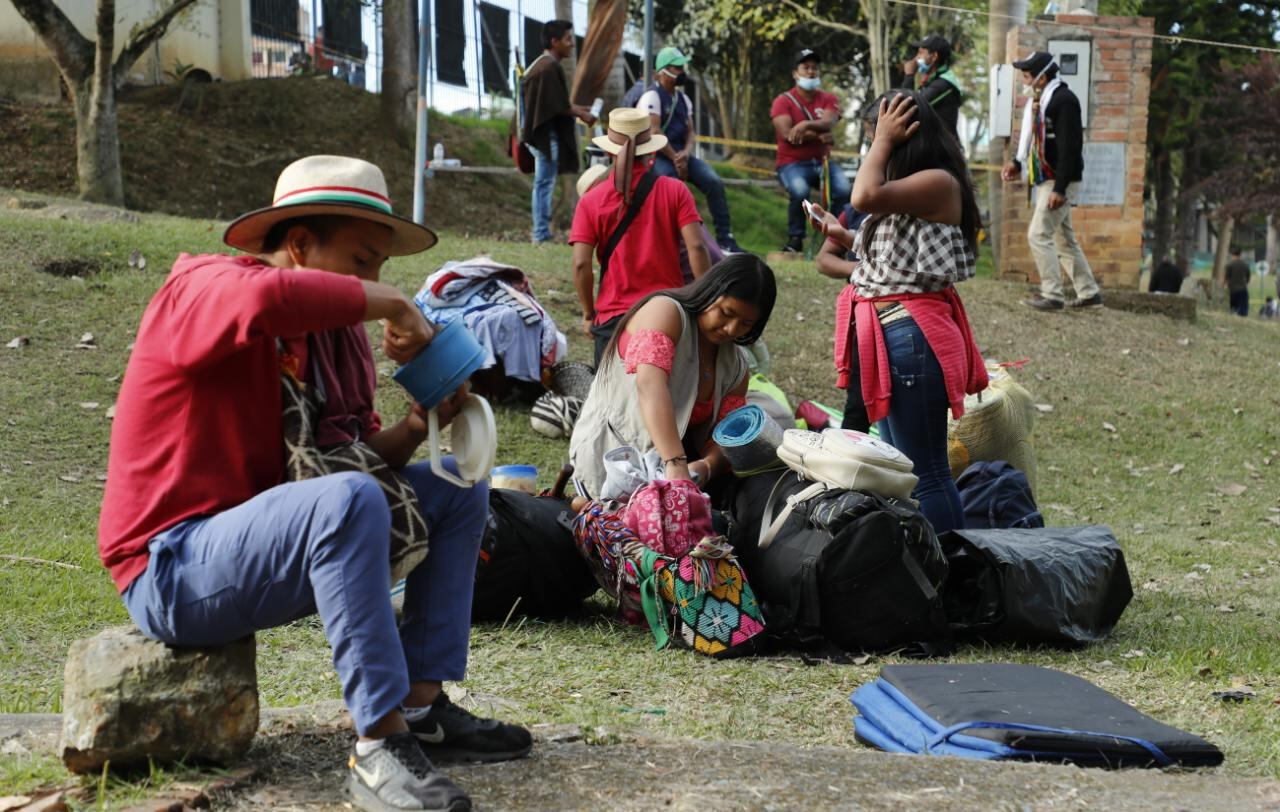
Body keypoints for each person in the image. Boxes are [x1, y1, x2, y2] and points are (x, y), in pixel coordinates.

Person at [100, 155, 531, 812]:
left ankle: (420, 709)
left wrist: (418, 426)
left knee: (456, 484)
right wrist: (391, 303)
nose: (376, 284)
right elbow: (264, 299)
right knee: (346, 501)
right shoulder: (203, 286)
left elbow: (353, 463)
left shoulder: (337, 343)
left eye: (382, 270)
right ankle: (378, 747)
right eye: (362, 263)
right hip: (171, 566)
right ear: (298, 244)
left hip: (267, 544)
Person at [815, 92, 987, 534]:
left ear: (903, 137)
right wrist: (843, 235)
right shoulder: (914, 190)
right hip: (893, 333)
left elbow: (864, 194)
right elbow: (902, 258)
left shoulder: (938, 181)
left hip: (911, 336)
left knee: (925, 472)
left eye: (875, 139)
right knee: (902, 469)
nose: (873, 149)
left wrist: (883, 140)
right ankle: (930, 570)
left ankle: (953, 572)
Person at [569, 254, 776, 499]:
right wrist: (676, 464)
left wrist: (707, 466)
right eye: (725, 312)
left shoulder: (736, 367)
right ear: (710, 291)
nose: (731, 328)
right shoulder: (665, 312)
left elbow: (726, 436)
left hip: (674, 477)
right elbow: (650, 386)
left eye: (745, 323)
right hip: (614, 463)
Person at [570, 108, 711, 366]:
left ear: (610, 151)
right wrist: (703, 301)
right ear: (651, 151)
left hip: (613, 318)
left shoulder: (590, 201)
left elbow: (581, 264)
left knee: (609, 401)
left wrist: (589, 313)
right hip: (668, 311)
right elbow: (697, 247)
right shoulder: (675, 190)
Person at [1002, 51, 1102, 311]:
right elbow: (1034, 140)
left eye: (1027, 76)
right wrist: (1017, 161)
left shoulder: (1064, 101)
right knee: (1063, 239)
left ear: (1042, 77)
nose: (1024, 81)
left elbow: (1071, 148)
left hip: (1060, 180)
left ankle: (1052, 295)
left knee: (1038, 234)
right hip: (1048, 177)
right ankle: (1089, 293)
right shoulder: (1040, 101)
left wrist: (1060, 188)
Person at [621, 46, 742, 253]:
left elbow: (691, 131)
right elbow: (655, 131)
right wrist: (676, 158)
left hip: (680, 154)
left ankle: (725, 238)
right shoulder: (651, 97)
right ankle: (682, 241)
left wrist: (685, 153)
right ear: (662, 71)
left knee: (713, 181)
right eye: (676, 68)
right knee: (675, 189)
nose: (681, 72)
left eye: (681, 67)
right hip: (657, 155)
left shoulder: (684, 99)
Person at [577, 162, 723, 284]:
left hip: (697, 280)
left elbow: (581, 264)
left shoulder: (630, 211)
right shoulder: (667, 190)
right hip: (717, 271)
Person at [522, 19, 597, 244]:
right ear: (554, 42)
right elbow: (555, 106)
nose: (572, 44)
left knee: (544, 183)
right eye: (568, 39)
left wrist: (577, 109)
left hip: (544, 133)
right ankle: (540, 234)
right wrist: (581, 114)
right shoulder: (547, 68)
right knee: (544, 184)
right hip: (543, 135)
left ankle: (541, 232)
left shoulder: (546, 65)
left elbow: (556, 103)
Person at [771, 48, 853, 254]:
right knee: (800, 191)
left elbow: (830, 121)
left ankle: (835, 238)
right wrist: (819, 135)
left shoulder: (828, 98)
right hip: (791, 163)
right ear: (795, 73)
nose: (810, 72)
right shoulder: (783, 101)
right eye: (805, 67)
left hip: (822, 162)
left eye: (814, 68)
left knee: (844, 189)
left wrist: (805, 125)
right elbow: (788, 134)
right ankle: (795, 239)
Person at [902, 35, 963, 139]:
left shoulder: (943, 85)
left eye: (921, 53)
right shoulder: (933, 81)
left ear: (934, 56)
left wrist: (909, 75)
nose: (916, 58)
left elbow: (908, 108)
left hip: (942, 150)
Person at [1225, 248, 1251, 317]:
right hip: (1242, 288)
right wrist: (1246, 282)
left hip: (1232, 289)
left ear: (1232, 255)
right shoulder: (1245, 264)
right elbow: (1248, 276)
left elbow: (1226, 277)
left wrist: (1224, 285)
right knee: (1243, 308)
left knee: (1233, 306)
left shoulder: (1229, 265)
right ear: (1240, 255)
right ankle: (1242, 318)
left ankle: (1233, 316)